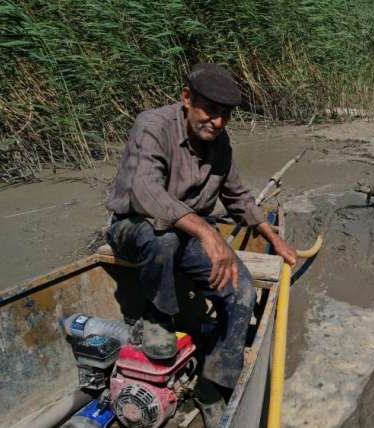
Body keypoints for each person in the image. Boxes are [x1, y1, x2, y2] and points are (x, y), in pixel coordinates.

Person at [104, 63, 296, 425]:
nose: (218, 122)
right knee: (159, 237)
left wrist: (274, 238)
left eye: (225, 115)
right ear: (186, 98)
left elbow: (238, 196)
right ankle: (158, 316)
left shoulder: (220, 143)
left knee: (241, 292)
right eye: (210, 110)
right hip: (135, 229)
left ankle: (211, 386)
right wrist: (208, 233)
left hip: (187, 234)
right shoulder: (153, 126)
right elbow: (146, 194)